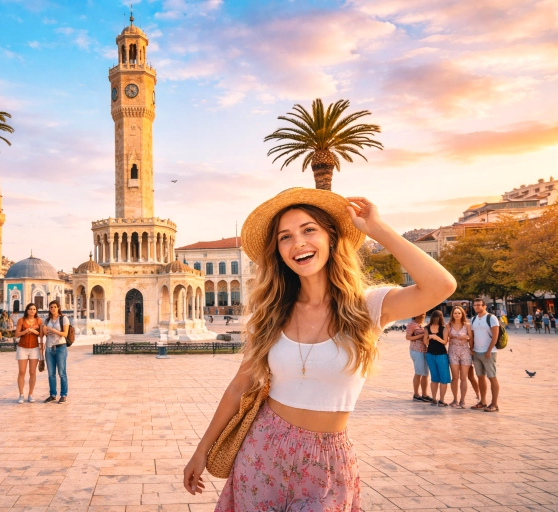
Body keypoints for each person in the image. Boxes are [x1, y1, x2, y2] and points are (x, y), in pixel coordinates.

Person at [182, 190, 456, 510]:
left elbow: (441, 286)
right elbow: (239, 386)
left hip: (328, 461)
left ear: (331, 238)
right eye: (286, 237)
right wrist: (201, 450)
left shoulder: (367, 307)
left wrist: (378, 229)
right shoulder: (270, 314)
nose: (298, 242)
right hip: (261, 452)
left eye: (309, 230)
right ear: (279, 253)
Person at [470, 298, 500, 412]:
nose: (477, 307)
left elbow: (495, 336)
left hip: (489, 352)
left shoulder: (491, 318)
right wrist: (471, 349)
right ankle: (482, 401)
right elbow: (472, 336)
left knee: (492, 377)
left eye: (479, 305)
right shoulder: (473, 319)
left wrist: (489, 350)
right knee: (480, 377)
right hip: (476, 352)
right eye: (475, 305)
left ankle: (494, 404)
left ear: (484, 306)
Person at [42, 300, 70, 404]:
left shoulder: (64, 319)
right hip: (49, 348)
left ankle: (63, 395)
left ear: (58, 308)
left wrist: (52, 330)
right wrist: (45, 329)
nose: (53, 309)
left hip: (60, 348)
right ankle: (52, 395)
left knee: (62, 373)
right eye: (51, 307)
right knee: (51, 374)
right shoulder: (47, 319)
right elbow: (44, 332)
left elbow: (65, 334)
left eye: (54, 307)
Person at [14, 303, 42, 404]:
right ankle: (21, 394)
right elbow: (17, 334)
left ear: (36, 311)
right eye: (30, 309)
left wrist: (35, 332)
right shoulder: (21, 320)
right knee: (22, 371)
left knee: (32, 372)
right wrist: (25, 331)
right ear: (27, 310)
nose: (32, 311)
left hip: (34, 348)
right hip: (22, 348)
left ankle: (30, 394)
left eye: (34, 309)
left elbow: (42, 333)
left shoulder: (39, 321)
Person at [447, 306, 472, 408]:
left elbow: (471, 338)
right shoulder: (448, 325)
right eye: (455, 313)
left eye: (459, 313)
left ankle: (462, 400)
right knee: (455, 377)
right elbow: (445, 338)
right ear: (452, 314)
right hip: (453, 351)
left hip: (465, 351)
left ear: (462, 314)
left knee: (463, 377)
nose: (457, 315)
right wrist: (451, 336)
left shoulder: (467, 326)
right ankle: (455, 399)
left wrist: (467, 338)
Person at [424, 310, 451, 406]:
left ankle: (442, 400)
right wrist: (429, 337)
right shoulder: (427, 328)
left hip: (442, 355)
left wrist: (436, 337)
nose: (436, 320)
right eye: (435, 317)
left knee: (444, 378)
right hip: (430, 355)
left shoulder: (443, 329)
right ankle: (434, 398)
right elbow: (425, 342)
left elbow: (445, 342)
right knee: (434, 378)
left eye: (438, 317)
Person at [406, 313, 431, 402]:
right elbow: (408, 337)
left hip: (425, 350)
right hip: (416, 350)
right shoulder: (411, 324)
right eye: (420, 313)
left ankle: (425, 394)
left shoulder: (425, 324)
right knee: (418, 372)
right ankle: (416, 394)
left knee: (425, 373)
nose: (422, 315)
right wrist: (421, 336)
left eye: (424, 313)